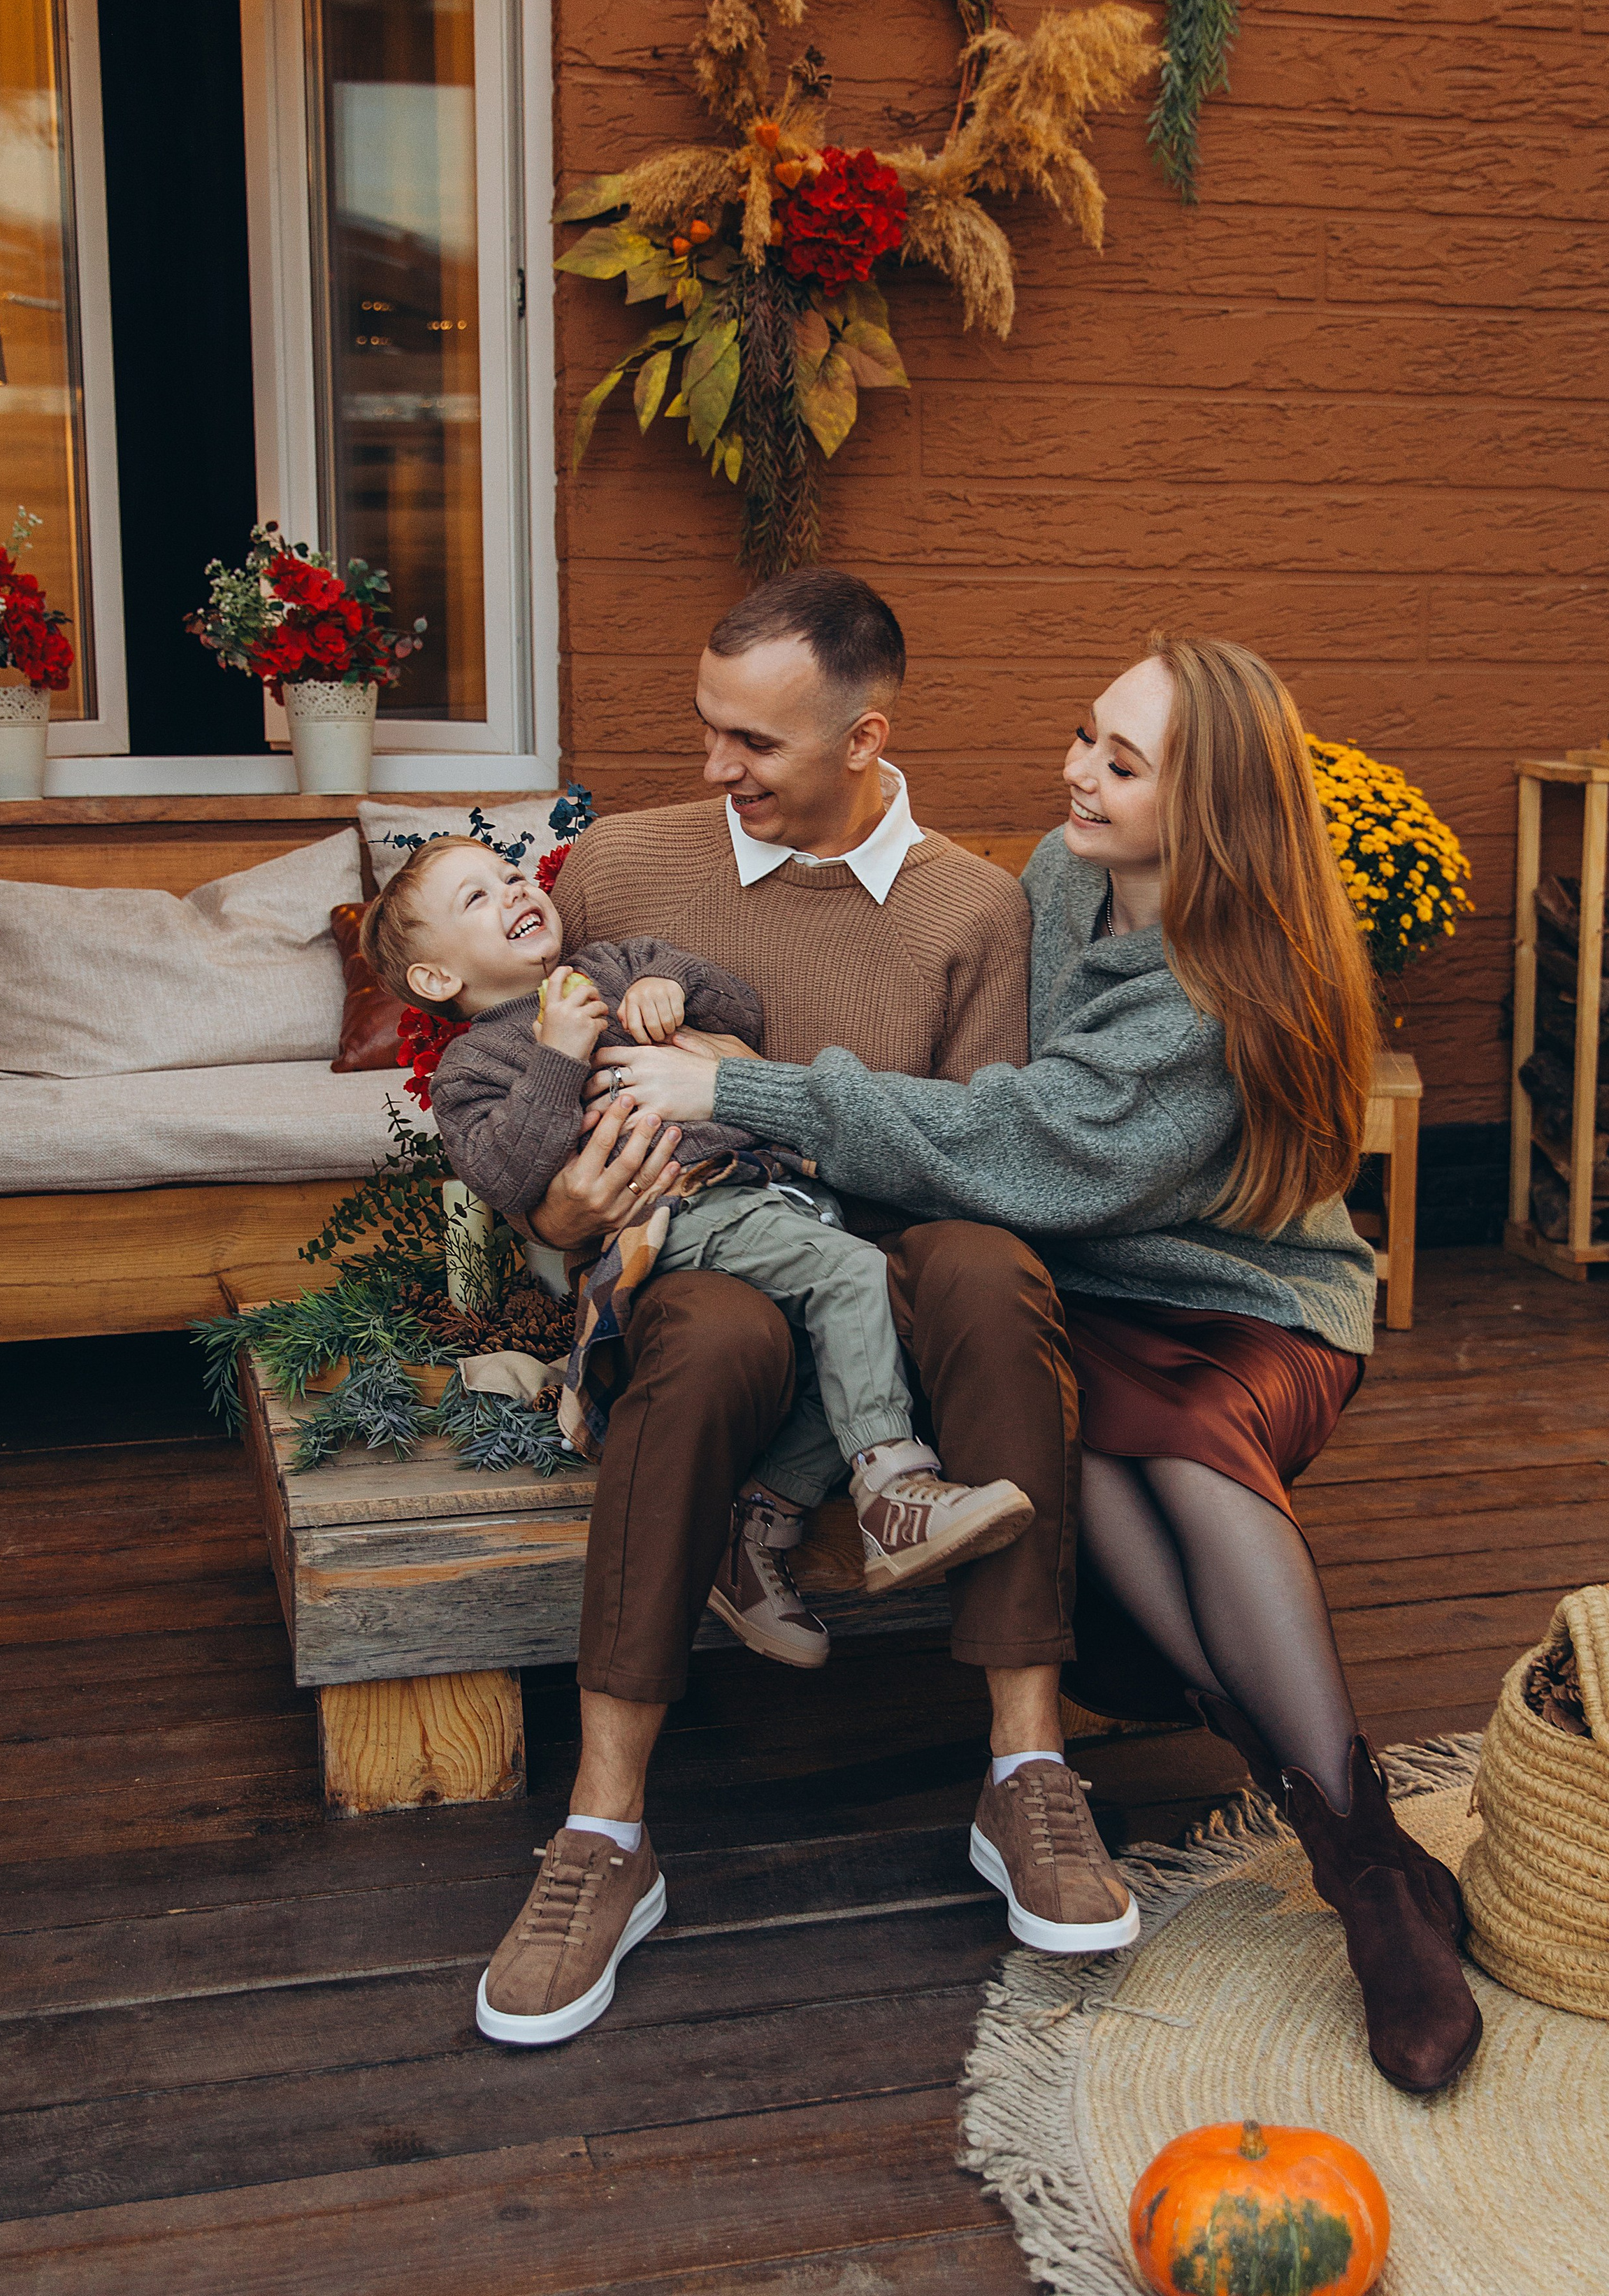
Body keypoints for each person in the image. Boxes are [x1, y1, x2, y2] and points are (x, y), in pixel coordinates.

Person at [602, 633, 1482, 2097]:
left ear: (1207, 811)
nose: (1075, 771)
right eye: (1085, 735)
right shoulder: (1060, 879)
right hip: (1090, 1289)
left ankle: (1362, 1875)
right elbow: (982, 1098)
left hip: (1247, 1304)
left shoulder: (1220, 988)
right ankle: (1366, 1852)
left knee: (1184, 1452)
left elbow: (1021, 1140)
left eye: (1120, 764)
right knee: (1077, 1438)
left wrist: (732, 1085)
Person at [464, 568, 1137, 2050]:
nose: (714, 769)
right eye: (706, 728)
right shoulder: (625, 872)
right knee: (705, 1336)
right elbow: (522, 1125)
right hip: (705, 1268)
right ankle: (603, 1833)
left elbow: (988, 1161)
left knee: (987, 1267)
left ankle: (1025, 1774)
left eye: (753, 746)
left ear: (863, 738)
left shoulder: (971, 908)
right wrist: (559, 1217)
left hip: (897, 1276)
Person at [359, 836, 1031, 1632]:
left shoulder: (611, 963)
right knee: (856, 1279)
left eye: (509, 875)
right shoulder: (475, 1069)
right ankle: (892, 1494)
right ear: (439, 979)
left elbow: (739, 1007)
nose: (511, 893)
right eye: (475, 899)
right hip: (677, 1212)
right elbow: (506, 1176)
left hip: (770, 1192)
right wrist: (558, 1057)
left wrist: (667, 985)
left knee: (840, 1345)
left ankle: (757, 1535)